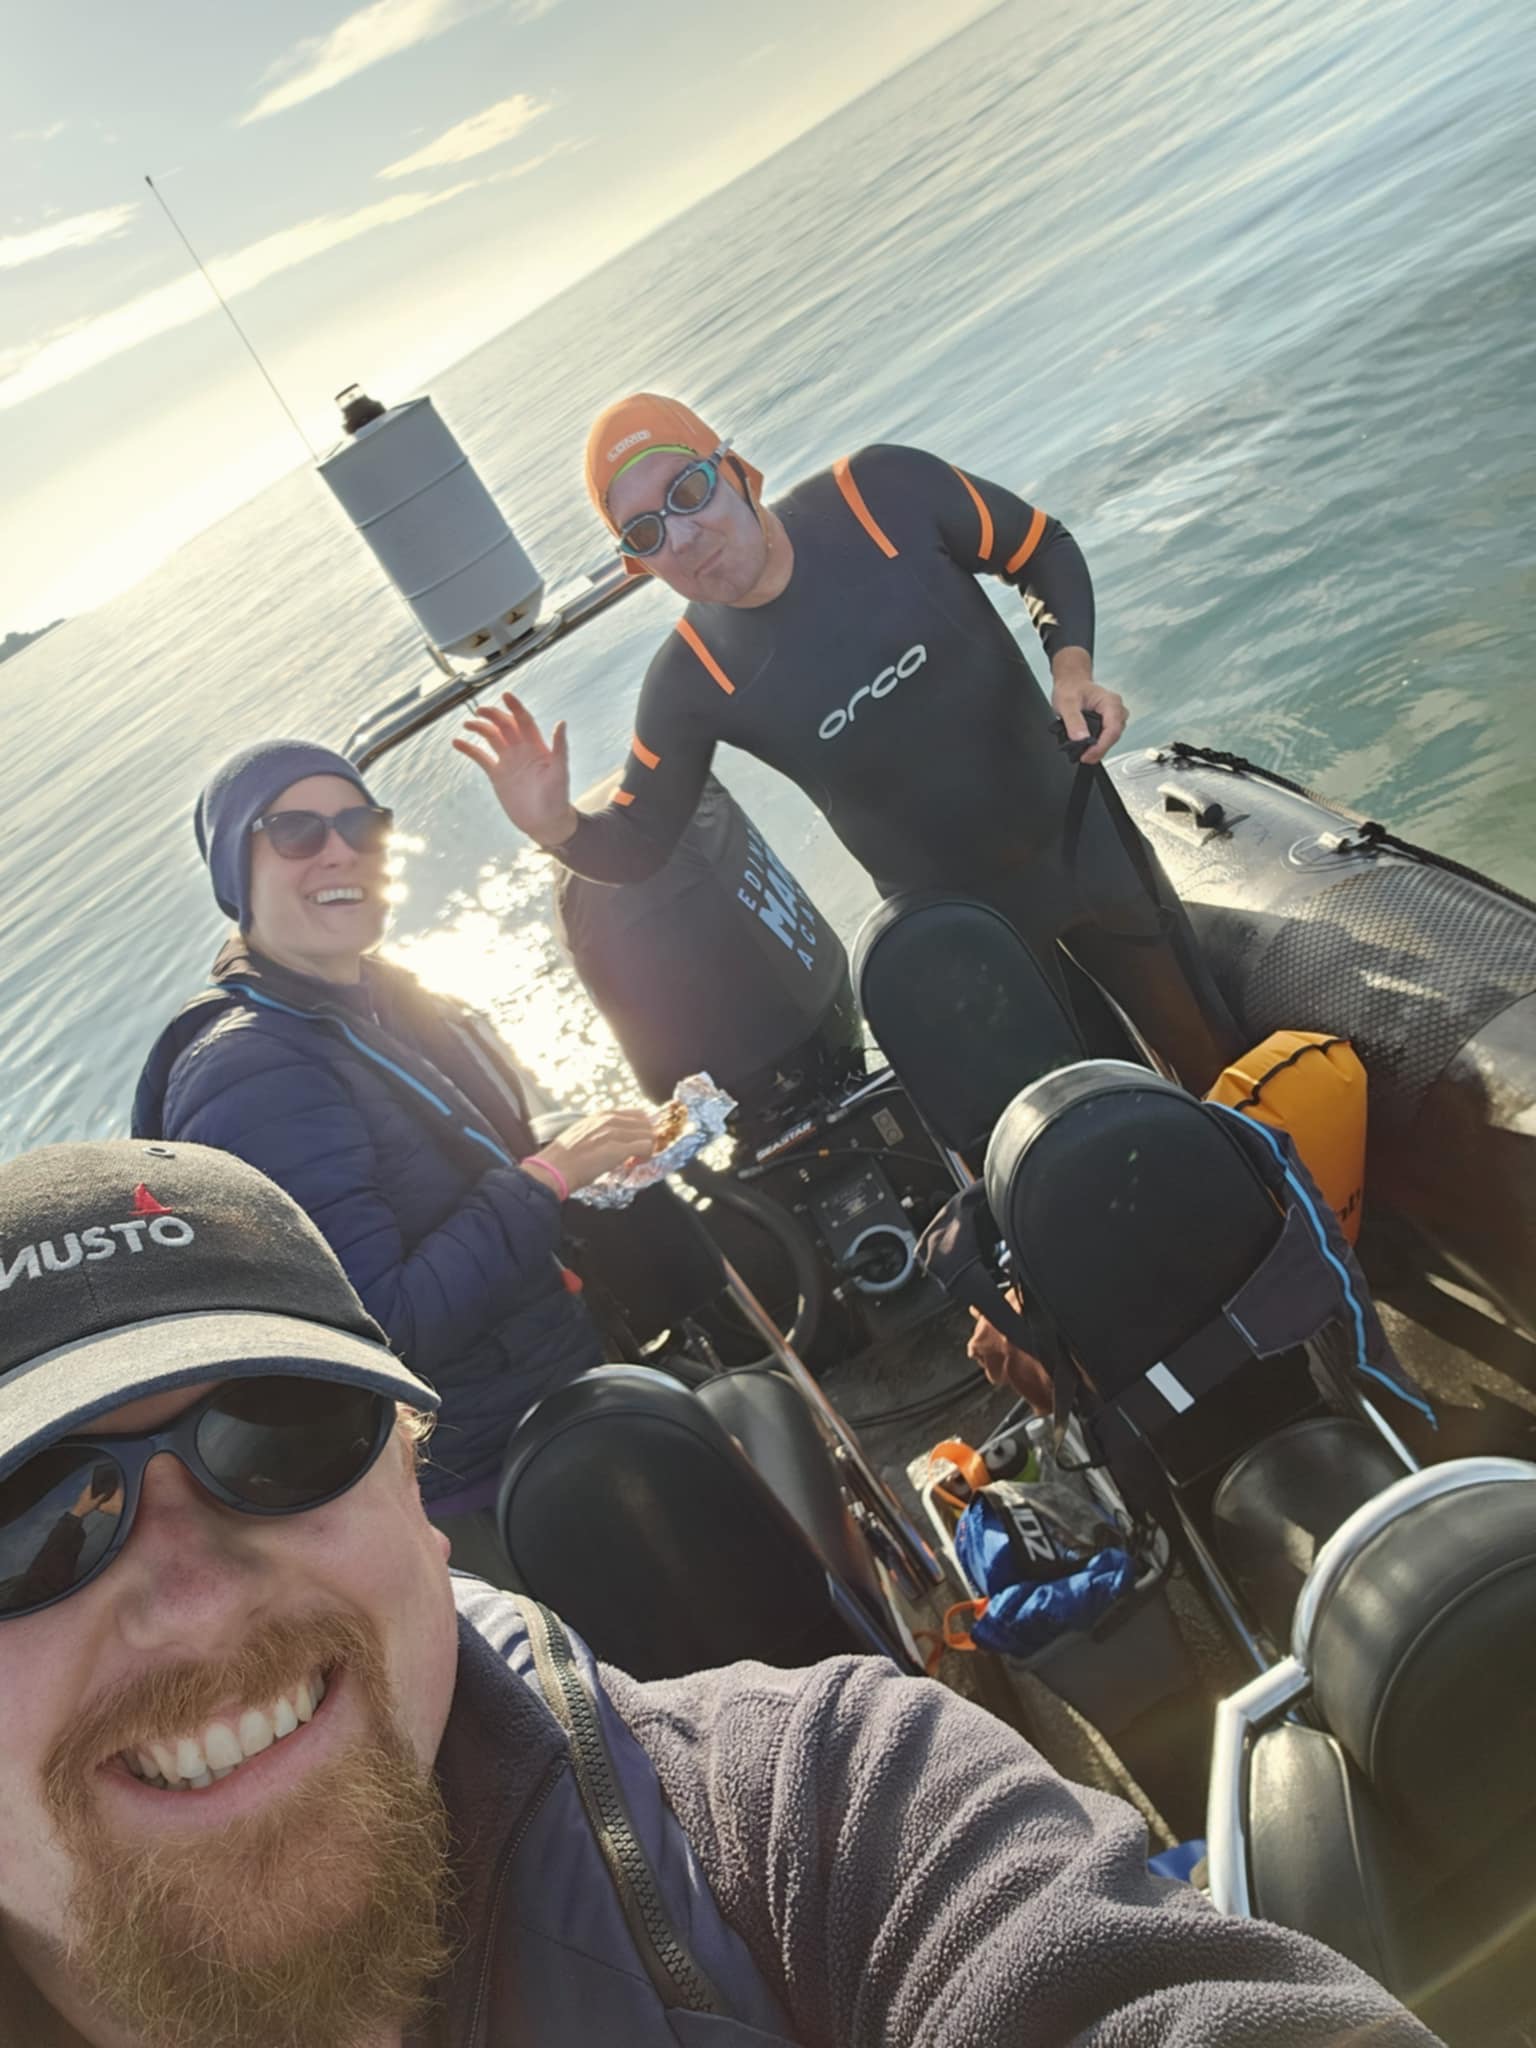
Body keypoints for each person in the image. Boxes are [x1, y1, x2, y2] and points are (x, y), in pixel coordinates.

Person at [0, 1137, 1441, 2048]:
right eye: (26, 1516)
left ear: (416, 1500)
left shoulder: (820, 1808)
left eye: (281, 1433)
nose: (192, 1602)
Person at [455, 393, 1241, 1091]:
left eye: (689, 490)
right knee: (1106, 1136)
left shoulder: (880, 495)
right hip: (969, 939)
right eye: (649, 531)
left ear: (736, 469)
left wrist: (1072, 671)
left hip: (1082, 842)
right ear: (640, 565)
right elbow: (635, 844)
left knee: (1219, 1068)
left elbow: (1039, 546)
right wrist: (553, 825)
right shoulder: (693, 675)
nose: (686, 535)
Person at [132, 738, 657, 1578]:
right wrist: (548, 1179)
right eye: (295, 831)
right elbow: (382, 1333)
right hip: (483, 1492)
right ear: (239, 876)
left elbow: (464, 1158)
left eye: (359, 824)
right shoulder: (251, 1074)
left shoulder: (373, 996)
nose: (339, 848)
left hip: (547, 1401)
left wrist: (583, 1166)